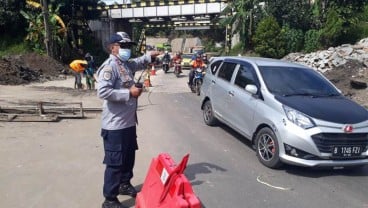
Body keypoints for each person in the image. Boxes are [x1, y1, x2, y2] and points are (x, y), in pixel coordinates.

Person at [96, 31, 160, 208]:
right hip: (115, 125)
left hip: (129, 123)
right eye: (123, 46)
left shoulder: (124, 65)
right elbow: (102, 92)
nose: (127, 49)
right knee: (115, 162)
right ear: (112, 48)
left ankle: (124, 184)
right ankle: (109, 199)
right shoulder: (109, 67)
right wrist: (128, 93)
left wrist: (149, 56)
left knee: (128, 157)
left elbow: (138, 62)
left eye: (128, 46)